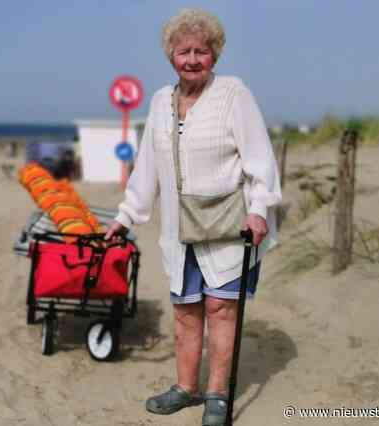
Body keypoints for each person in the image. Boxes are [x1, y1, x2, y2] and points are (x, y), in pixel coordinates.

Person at [104, 8, 282, 426]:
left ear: (215, 55)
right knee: (185, 311)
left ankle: (217, 394)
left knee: (221, 308)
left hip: (228, 226)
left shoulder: (234, 94)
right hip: (178, 229)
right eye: (184, 51)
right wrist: (126, 216)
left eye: (202, 51)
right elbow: (147, 168)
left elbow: (261, 160)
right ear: (170, 56)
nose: (192, 59)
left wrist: (259, 210)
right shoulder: (160, 102)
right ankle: (186, 388)